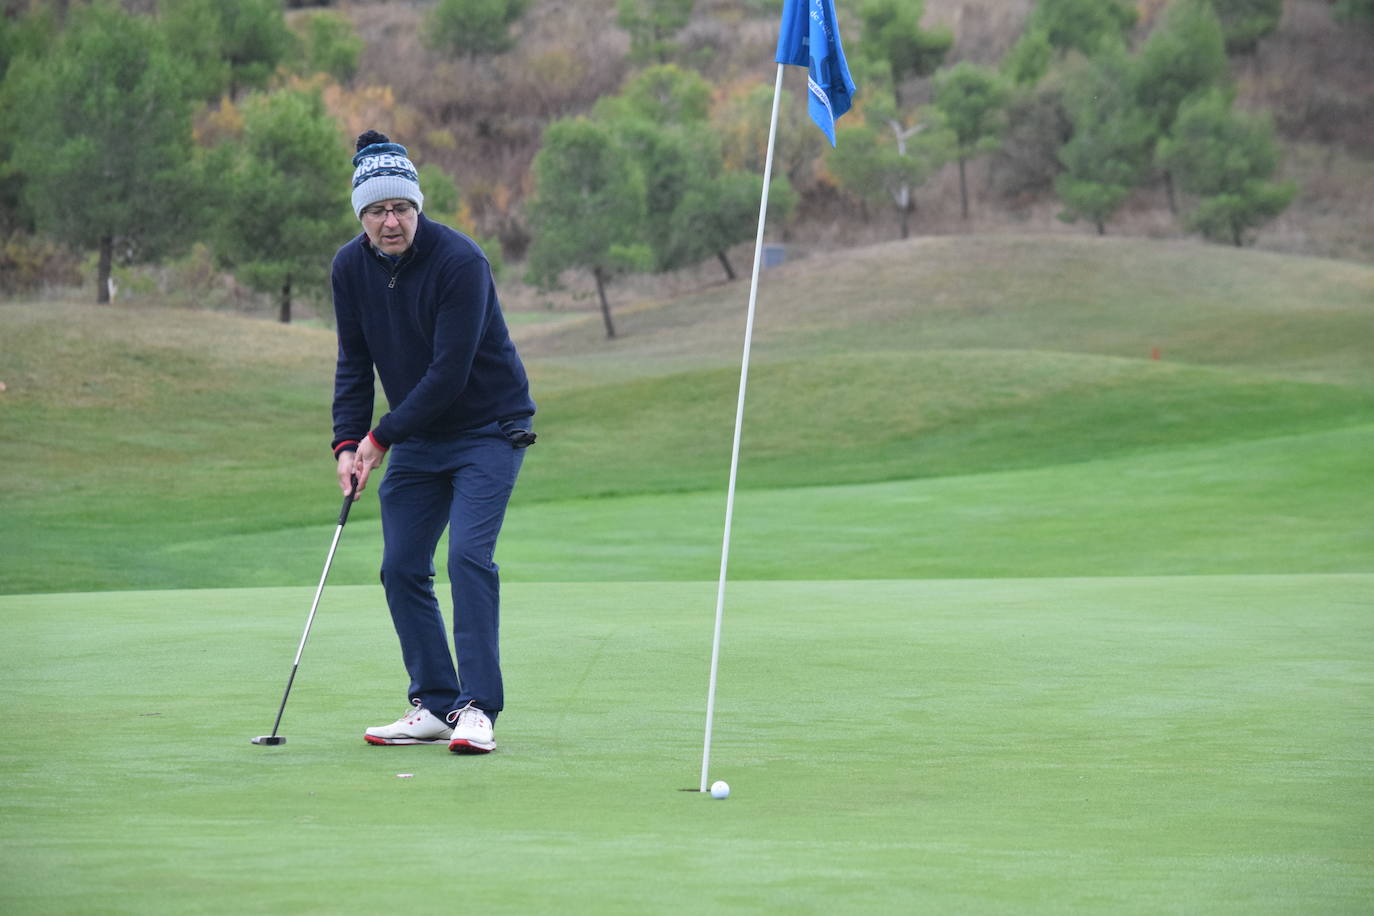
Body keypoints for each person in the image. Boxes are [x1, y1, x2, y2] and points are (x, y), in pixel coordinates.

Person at [330, 129, 535, 754]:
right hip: (419, 434)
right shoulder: (349, 267)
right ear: (361, 214)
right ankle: (435, 702)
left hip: (487, 428)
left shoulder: (460, 261)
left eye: (401, 208)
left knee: (468, 556)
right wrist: (346, 443)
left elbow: (448, 374)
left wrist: (380, 436)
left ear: (418, 207)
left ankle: (478, 709)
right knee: (400, 567)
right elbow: (353, 362)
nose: (390, 222)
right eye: (377, 210)